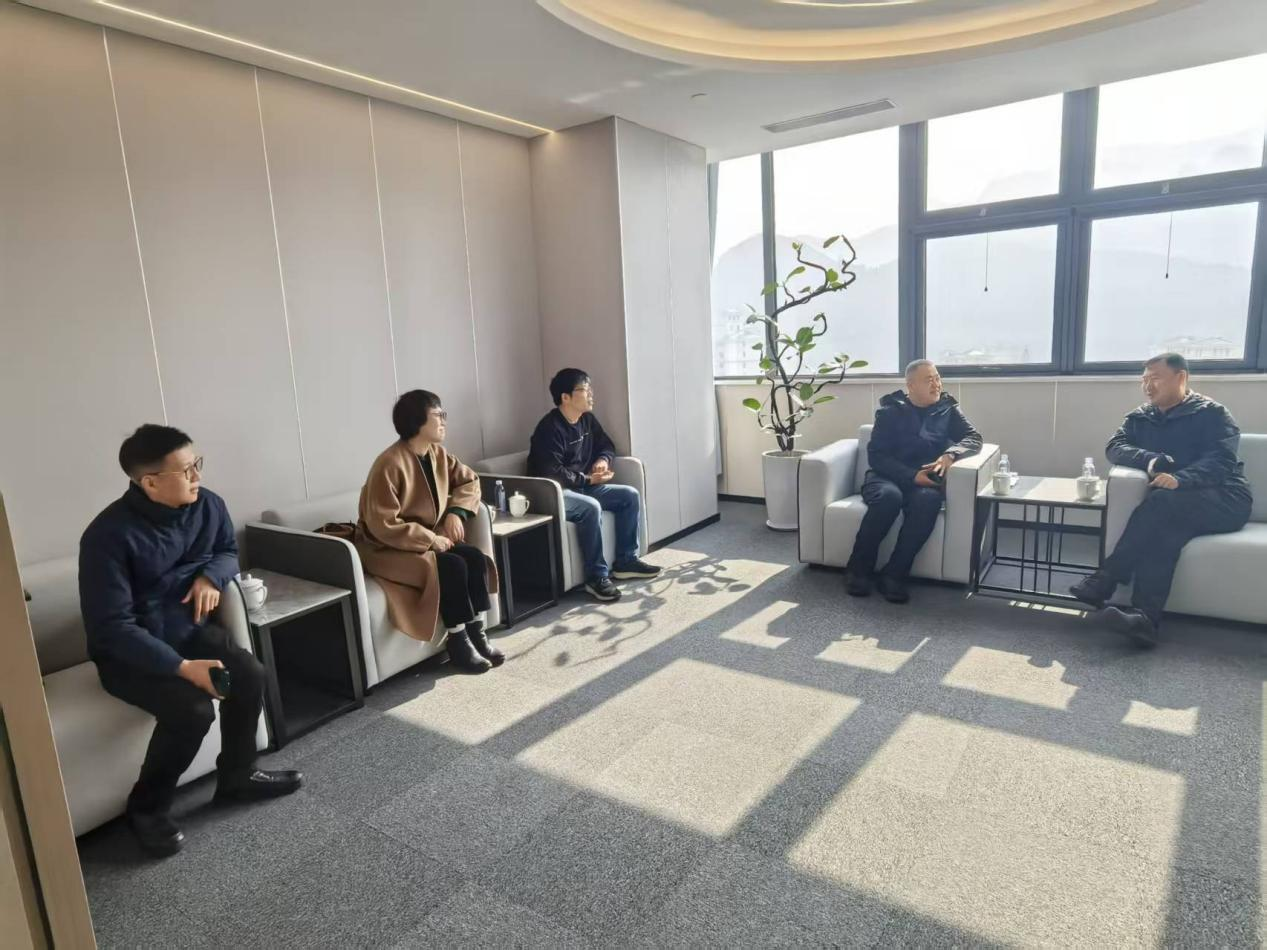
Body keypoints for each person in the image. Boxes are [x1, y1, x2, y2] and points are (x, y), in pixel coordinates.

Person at [79, 425, 301, 858]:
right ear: (150, 483)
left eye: (197, 463)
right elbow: (112, 628)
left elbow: (227, 551)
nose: (197, 475)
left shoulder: (208, 504)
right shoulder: (107, 536)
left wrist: (210, 578)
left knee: (249, 674)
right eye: (186, 470)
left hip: (188, 630)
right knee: (192, 709)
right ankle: (146, 810)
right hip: (130, 653)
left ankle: (237, 776)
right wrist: (182, 668)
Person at [1070, 353, 1252, 645]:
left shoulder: (1212, 414)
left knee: (1161, 503)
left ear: (1181, 378)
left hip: (1225, 497)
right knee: (1165, 532)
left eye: (1155, 378)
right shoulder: (1141, 416)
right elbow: (1115, 446)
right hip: (1173, 505)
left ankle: (1107, 577)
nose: (1147, 386)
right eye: (1144, 379)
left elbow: (1221, 460)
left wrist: (1182, 479)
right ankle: (1145, 620)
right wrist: (1150, 460)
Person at [356, 390, 502, 673]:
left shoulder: (438, 454)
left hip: (427, 538)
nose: (444, 421)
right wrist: (430, 538)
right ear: (417, 421)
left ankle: (477, 633)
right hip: (388, 547)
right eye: (438, 415)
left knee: (473, 557)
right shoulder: (389, 463)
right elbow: (382, 524)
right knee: (452, 565)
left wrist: (456, 512)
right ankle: (458, 641)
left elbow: (470, 481)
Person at [844, 360, 983, 603]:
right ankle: (858, 570)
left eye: (937, 377)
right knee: (889, 498)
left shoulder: (947, 409)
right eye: (929, 379)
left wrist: (951, 454)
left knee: (929, 500)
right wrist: (910, 475)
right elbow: (876, 456)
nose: (937, 384)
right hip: (885, 477)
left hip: (923, 482)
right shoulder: (890, 411)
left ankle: (894, 575)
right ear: (911, 385)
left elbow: (973, 437)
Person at [527, 368, 660, 602]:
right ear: (565, 397)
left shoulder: (587, 420)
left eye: (590, 389)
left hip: (584, 486)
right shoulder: (549, 428)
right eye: (584, 389)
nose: (591, 394)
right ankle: (596, 577)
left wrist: (602, 460)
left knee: (629, 495)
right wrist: (588, 479)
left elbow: (606, 445)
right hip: (554, 492)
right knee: (590, 507)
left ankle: (626, 561)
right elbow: (553, 472)